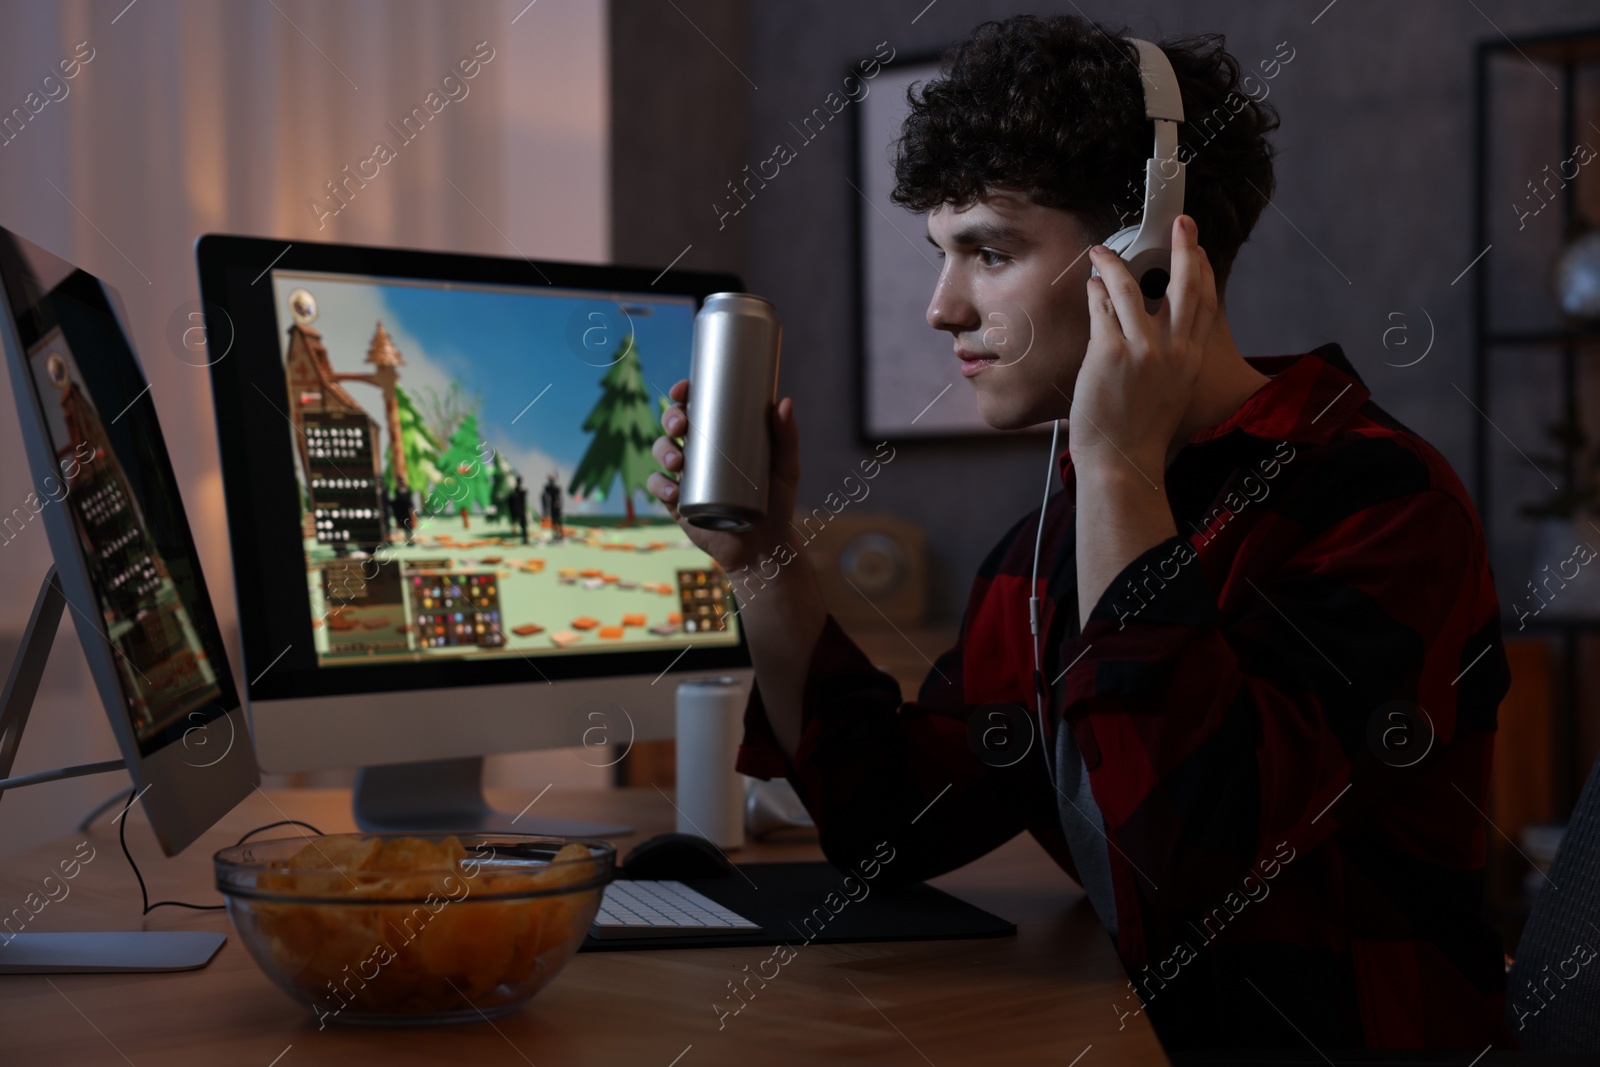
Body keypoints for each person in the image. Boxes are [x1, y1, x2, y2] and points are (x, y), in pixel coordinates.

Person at [648, 14, 1513, 1055]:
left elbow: (1194, 854)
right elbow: (887, 823)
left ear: (1146, 257)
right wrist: (766, 560)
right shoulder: (1047, 543)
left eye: (989, 251)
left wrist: (1114, 466)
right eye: (939, 254)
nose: (940, 307)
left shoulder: (1379, 505)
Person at [541, 471, 564, 543]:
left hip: (556, 507)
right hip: (552, 507)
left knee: (558, 522)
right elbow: (544, 497)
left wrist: (558, 504)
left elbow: (559, 498)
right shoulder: (548, 488)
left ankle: (560, 536)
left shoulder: (557, 488)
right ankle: (556, 535)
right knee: (554, 522)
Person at [508, 475, 530, 544]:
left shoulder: (518, 490)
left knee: (523, 526)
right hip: (520, 510)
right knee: (522, 525)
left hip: (519, 510)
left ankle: (524, 539)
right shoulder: (518, 490)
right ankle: (524, 539)